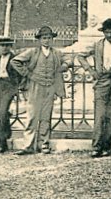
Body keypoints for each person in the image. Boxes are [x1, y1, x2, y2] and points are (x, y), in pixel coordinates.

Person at [10, 26, 72, 155]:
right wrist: (28, 74)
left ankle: (44, 144)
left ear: (52, 39)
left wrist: (65, 65)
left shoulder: (56, 53)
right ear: (39, 40)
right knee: (32, 116)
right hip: (35, 87)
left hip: (50, 87)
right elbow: (15, 61)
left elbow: (69, 59)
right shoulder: (32, 52)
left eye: (49, 38)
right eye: (44, 38)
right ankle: (28, 145)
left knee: (46, 117)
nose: (47, 40)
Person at [77, 18, 111, 157]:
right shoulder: (97, 45)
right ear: (103, 32)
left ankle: (107, 146)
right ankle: (96, 147)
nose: (109, 35)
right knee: (100, 116)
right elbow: (81, 56)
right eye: (107, 32)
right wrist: (90, 70)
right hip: (101, 81)